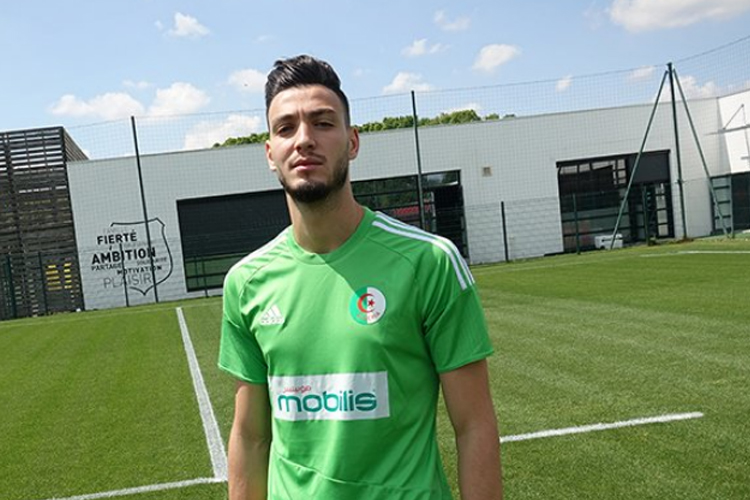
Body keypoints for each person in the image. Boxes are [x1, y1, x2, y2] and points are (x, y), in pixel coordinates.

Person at [219, 54, 503, 500]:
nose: (304, 140)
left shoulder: (428, 262)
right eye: (286, 128)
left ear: (352, 142)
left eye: (322, 123)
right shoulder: (246, 282)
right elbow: (251, 436)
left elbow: (474, 425)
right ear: (270, 153)